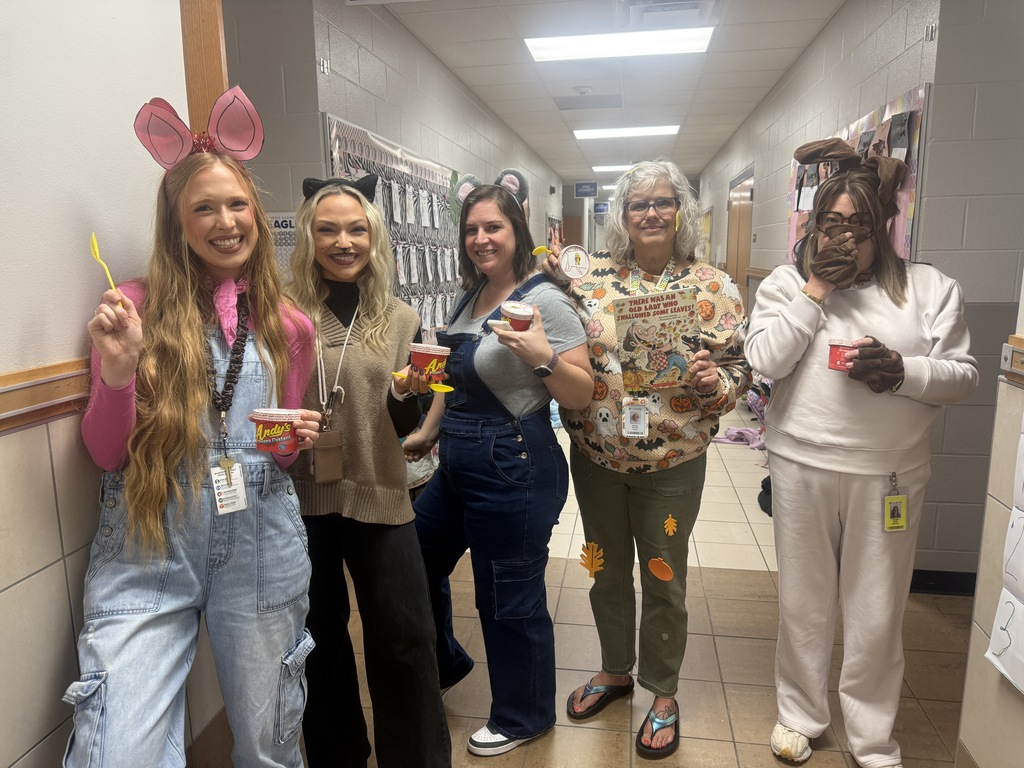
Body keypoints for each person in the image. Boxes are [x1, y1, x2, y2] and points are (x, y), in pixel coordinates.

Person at [64, 87, 322, 767]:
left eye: (238, 205)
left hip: (262, 544)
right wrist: (118, 376)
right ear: (177, 223)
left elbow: (282, 458)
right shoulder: (134, 307)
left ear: (257, 217)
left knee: (269, 749)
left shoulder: (290, 325)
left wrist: (292, 440)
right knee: (121, 753)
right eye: (204, 207)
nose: (226, 221)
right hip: (149, 545)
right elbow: (105, 452)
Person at [744, 138, 979, 768]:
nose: (844, 237)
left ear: (885, 229)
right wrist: (816, 289)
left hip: (889, 476)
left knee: (877, 613)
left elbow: (964, 375)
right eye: (831, 223)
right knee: (804, 604)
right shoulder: (787, 285)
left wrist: (903, 371)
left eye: (859, 225)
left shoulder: (929, 289)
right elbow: (766, 361)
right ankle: (800, 715)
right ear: (814, 226)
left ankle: (873, 737)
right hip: (802, 467)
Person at [552, 159, 751, 760]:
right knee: (603, 568)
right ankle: (616, 669)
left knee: (664, 573)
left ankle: (662, 690)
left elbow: (742, 373)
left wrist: (718, 381)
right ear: (622, 216)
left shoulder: (715, 288)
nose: (652, 213)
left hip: (673, 463)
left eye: (663, 202)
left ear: (681, 210)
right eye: (639, 204)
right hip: (597, 458)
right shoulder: (591, 283)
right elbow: (562, 344)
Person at [404, 179, 594, 757]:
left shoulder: (547, 301)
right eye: (471, 229)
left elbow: (582, 392)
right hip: (458, 461)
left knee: (506, 593)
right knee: (411, 565)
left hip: (515, 461)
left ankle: (523, 714)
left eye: (494, 227)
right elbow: (451, 371)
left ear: (517, 232)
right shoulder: (472, 295)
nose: (481, 239)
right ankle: (447, 663)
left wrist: (542, 357)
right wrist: (428, 429)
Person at [283, 175, 451, 767]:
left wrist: (413, 393)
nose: (343, 242)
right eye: (327, 230)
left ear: (374, 237)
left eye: (356, 229)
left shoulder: (399, 317)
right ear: (308, 237)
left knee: (407, 638)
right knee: (319, 642)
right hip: (301, 502)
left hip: (380, 494)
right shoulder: (281, 314)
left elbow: (402, 417)